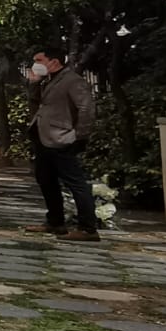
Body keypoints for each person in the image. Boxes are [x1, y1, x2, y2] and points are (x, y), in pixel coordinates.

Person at [26, 48, 98, 240]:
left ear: (54, 61)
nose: (36, 64)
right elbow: (36, 105)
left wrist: (79, 135)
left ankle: (88, 228)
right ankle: (55, 221)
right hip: (44, 138)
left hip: (62, 138)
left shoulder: (72, 81)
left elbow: (86, 108)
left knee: (76, 183)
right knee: (46, 180)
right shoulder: (48, 81)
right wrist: (34, 84)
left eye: (39, 59)